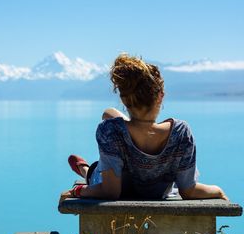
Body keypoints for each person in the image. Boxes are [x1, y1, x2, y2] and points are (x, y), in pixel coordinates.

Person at [60, 54, 228, 202]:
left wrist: (77, 190)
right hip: (158, 192)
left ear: (124, 100)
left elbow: (110, 191)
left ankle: (84, 169)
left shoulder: (108, 130)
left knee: (95, 169)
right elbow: (188, 190)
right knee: (110, 115)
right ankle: (137, 127)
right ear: (160, 96)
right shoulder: (181, 132)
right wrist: (218, 190)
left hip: (115, 183)